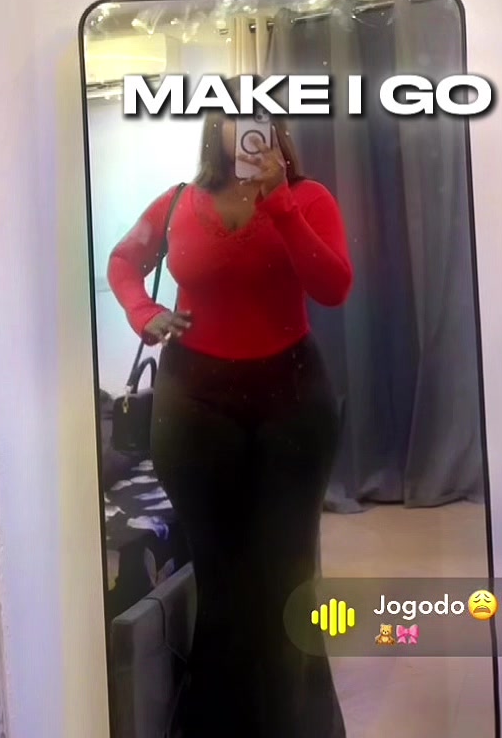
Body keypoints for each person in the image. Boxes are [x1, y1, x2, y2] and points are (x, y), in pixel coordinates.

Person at [107, 77, 353, 737]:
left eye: (257, 117)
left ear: (275, 130)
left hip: (291, 403)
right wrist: (144, 312)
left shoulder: (309, 198)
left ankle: (300, 726)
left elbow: (334, 287)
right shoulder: (176, 202)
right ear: (213, 128)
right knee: (220, 577)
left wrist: (281, 205)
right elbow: (124, 260)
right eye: (231, 117)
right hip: (195, 407)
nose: (244, 129)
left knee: (290, 574)